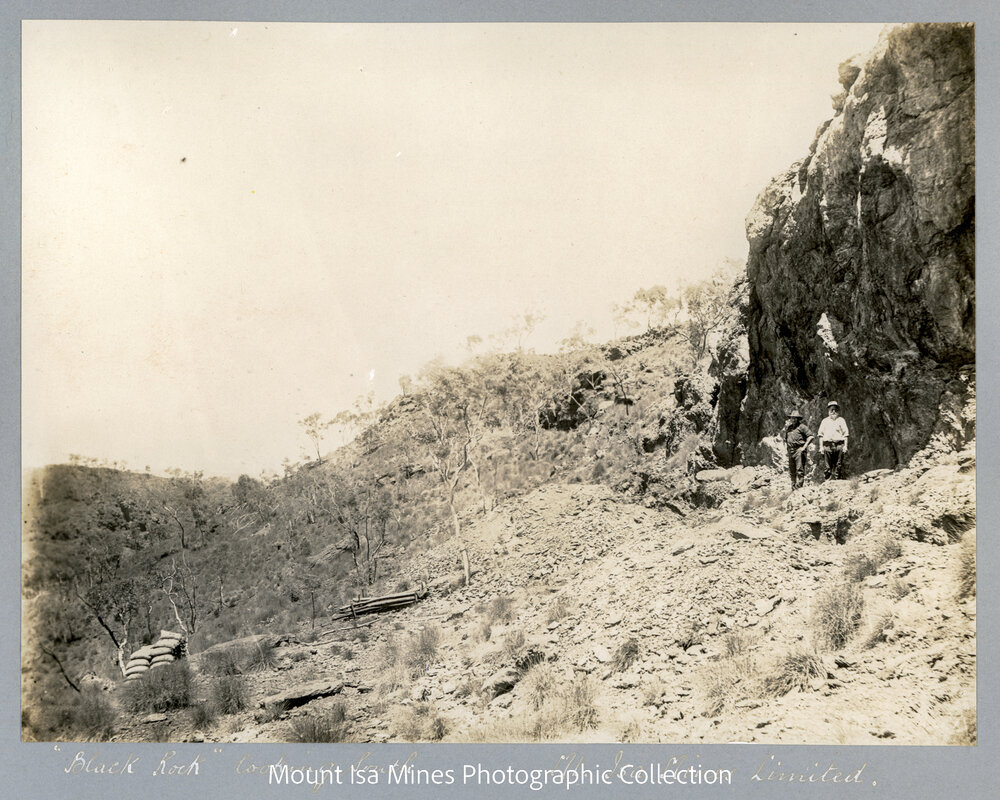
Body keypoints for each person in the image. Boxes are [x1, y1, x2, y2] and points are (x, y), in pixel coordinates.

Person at [818, 400, 849, 480]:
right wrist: (821, 447)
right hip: (827, 445)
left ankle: (838, 481)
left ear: (837, 410)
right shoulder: (824, 421)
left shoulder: (841, 420)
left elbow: (845, 434)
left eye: (835, 409)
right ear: (828, 411)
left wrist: (845, 446)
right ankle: (827, 482)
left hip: (839, 445)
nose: (833, 411)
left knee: (839, 464)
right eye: (832, 410)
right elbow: (820, 435)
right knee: (827, 466)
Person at [784, 409, 812, 488]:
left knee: (799, 469)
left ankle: (799, 487)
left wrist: (804, 447)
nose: (793, 420)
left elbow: (811, 436)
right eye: (792, 418)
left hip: (799, 450)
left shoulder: (802, 427)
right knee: (792, 470)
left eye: (795, 418)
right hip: (791, 451)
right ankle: (793, 488)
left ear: (798, 419)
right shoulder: (789, 428)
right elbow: (786, 439)